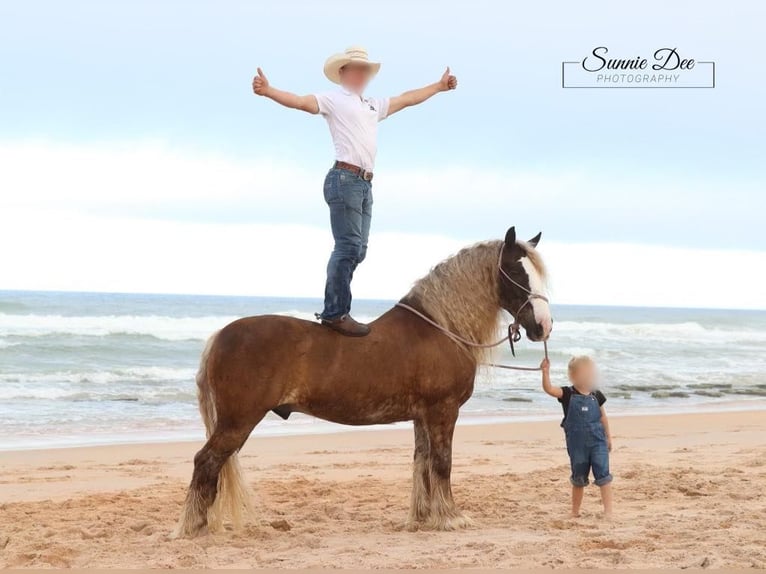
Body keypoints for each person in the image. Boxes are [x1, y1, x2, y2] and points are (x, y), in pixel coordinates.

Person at [252, 46, 458, 336]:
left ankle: (337, 309)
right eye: (355, 69)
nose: (361, 74)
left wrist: (438, 86)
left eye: (364, 70)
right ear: (343, 73)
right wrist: (269, 90)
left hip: (364, 184)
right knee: (347, 247)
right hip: (344, 178)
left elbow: (407, 99)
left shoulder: (372, 105)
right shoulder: (334, 99)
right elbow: (300, 102)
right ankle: (335, 313)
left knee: (358, 250)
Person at [541, 355, 614, 519]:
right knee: (578, 477)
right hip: (577, 445)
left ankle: (608, 511)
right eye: (585, 373)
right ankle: (575, 511)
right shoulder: (567, 393)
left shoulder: (596, 394)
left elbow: (603, 417)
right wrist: (545, 372)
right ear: (574, 375)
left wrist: (608, 437)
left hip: (598, 442)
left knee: (603, 475)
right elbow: (549, 389)